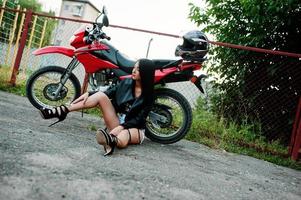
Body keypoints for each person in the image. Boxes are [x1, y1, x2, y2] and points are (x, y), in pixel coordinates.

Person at [39, 59, 155, 156]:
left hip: (135, 128)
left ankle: (112, 141)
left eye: (138, 69)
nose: (134, 70)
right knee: (100, 95)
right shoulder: (126, 83)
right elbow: (108, 92)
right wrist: (89, 93)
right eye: (134, 67)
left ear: (145, 72)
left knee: (123, 134)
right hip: (117, 123)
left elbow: (139, 119)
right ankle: (63, 110)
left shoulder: (149, 94)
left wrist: (121, 127)